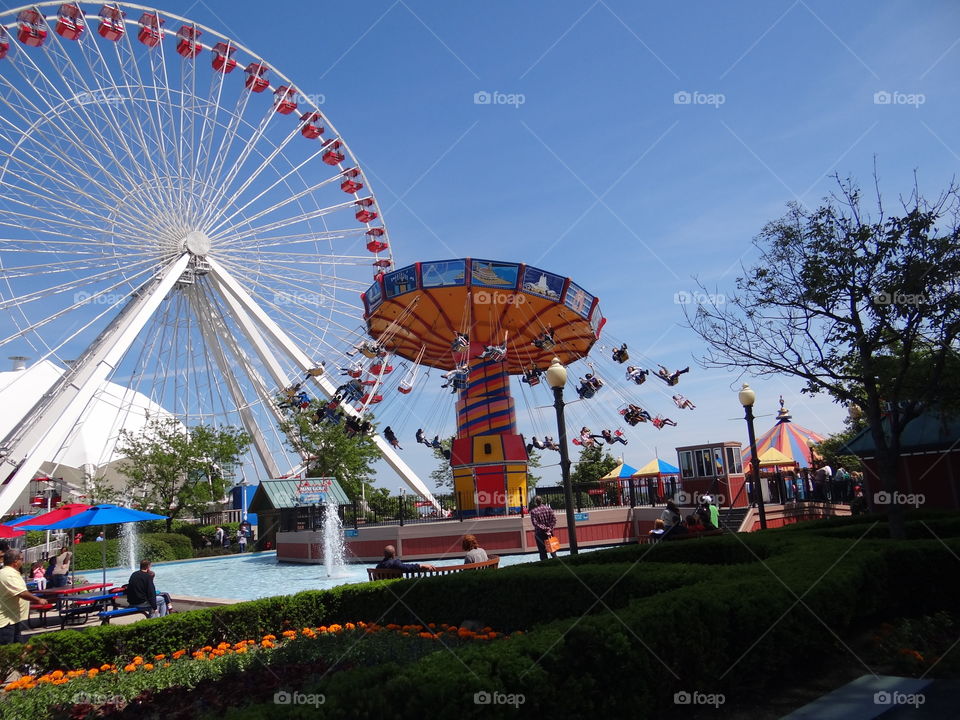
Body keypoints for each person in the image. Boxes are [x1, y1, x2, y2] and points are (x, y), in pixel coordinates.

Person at [0, 550, 44, 645]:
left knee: (17, 650)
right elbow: (22, 593)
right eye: (22, 559)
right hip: (6, 622)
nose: (23, 561)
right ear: (15, 561)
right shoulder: (8, 574)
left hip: (13, 619)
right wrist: (38, 599)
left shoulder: (11, 572)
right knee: (8, 652)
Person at [529, 496, 558, 561]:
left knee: (542, 552)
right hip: (549, 533)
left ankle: (545, 566)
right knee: (553, 551)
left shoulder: (533, 511)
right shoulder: (549, 509)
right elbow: (554, 520)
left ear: (535, 502)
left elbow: (535, 524)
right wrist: (549, 529)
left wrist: (544, 528)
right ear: (541, 501)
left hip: (539, 534)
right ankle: (557, 564)